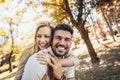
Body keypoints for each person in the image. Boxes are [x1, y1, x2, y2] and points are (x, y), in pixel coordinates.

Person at [14, 22, 79, 80]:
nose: (42, 41)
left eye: (47, 36)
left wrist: (55, 63)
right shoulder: (34, 56)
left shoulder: (64, 54)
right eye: (39, 36)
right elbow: (18, 76)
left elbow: (76, 60)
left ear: (51, 39)